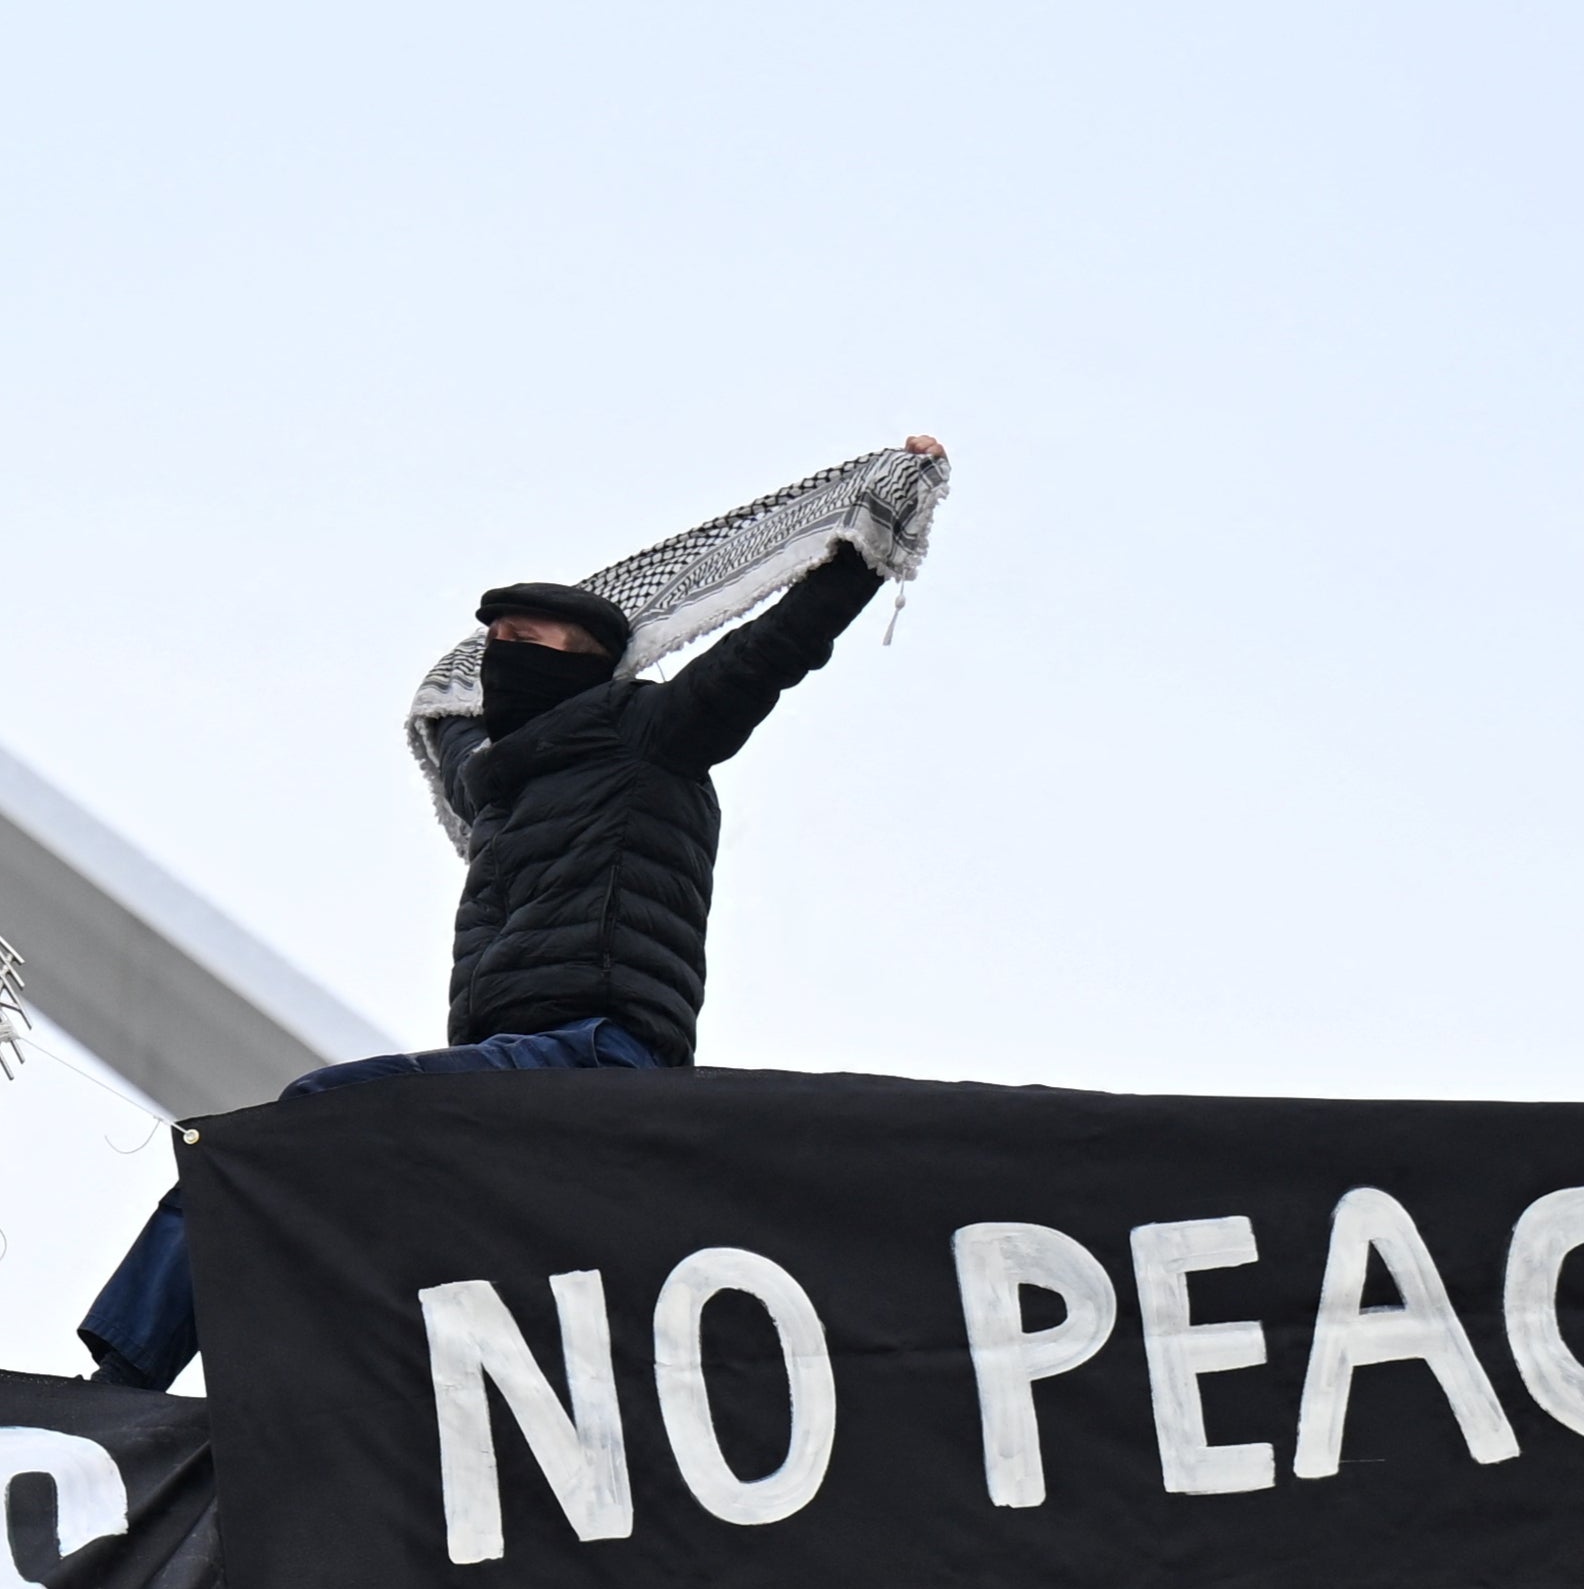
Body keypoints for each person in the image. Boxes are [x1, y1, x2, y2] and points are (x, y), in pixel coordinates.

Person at [78, 440, 943, 1386]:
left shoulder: (650, 734)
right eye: (498, 642)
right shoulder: (493, 780)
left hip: (597, 1054)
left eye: (529, 641)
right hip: (505, 1074)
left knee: (313, 1119)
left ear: (594, 665)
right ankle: (223, 1394)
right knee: (296, 1189)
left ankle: (125, 1387)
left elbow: (774, 650)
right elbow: (445, 710)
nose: (502, 656)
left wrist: (873, 533)